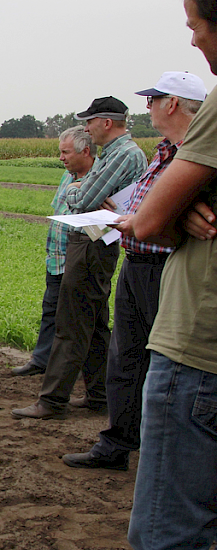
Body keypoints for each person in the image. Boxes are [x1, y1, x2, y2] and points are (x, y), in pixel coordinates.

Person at [61, 72, 205, 471]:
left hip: (169, 270)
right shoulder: (163, 152)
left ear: (172, 104)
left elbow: (172, 216)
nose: (148, 107)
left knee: (168, 367)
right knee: (125, 360)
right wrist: (135, 217)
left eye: (153, 100)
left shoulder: (196, 154)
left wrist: (143, 218)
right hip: (136, 264)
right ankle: (117, 443)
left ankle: (165, 455)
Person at [112, 1, 217, 546]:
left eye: (196, 25)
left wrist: (166, 217)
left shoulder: (205, 127)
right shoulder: (163, 154)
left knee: (170, 528)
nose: (194, 39)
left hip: (199, 339)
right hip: (149, 271)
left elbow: (149, 218)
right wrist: (177, 212)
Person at [13, 97, 147, 419]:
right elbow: (89, 196)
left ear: (106, 122)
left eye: (89, 121)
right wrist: (87, 192)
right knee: (97, 324)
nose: (86, 128)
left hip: (92, 243)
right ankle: (99, 395)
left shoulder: (123, 154)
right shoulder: (113, 154)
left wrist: (79, 189)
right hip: (96, 241)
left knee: (71, 323)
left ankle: (52, 400)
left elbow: (81, 199)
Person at [11, 127, 96, 377]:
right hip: (57, 257)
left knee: (79, 317)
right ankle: (42, 359)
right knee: (51, 310)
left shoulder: (98, 179)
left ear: (86, 151)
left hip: (79, 258)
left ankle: (82, 368)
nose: (61, 157)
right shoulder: (66, 177)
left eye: (65, 152)